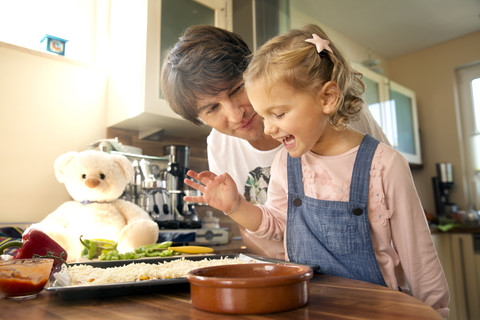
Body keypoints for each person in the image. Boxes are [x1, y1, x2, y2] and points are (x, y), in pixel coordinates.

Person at [181, 24, 450, 317]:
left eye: (279, 114)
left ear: (327, 98)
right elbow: (276, 224)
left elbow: (418, 257)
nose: (269, 129)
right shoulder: (287, 162)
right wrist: (235, 206)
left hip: (376, 309)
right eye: (265, 115)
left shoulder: (383, 164)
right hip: (308, 307)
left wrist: (436, 312)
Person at [161, 25, 389, 259]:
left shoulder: (337, 112)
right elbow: (245, 222)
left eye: (237, 89)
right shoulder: (219, 146)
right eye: (212, 108)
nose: (235, 114)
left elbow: (389, 186)